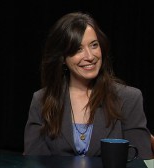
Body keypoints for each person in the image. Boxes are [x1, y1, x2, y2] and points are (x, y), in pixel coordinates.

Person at [24, 11, 152, 159]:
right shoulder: (41, 100)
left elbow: (140, 161)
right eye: (78, 49)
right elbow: (33, 161)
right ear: (63, 58)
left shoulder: (129, 98)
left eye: (94, 45)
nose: (90, 56)